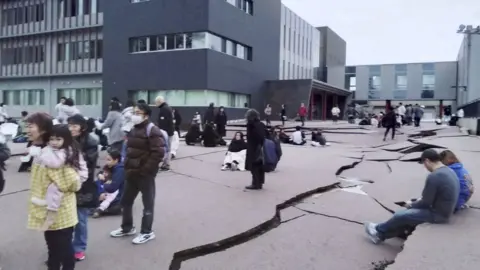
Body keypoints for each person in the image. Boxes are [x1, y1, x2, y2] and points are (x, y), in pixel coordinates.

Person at [364, 149, 459, 244]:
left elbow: (426, 203)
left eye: (424, 164)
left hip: (438, 214)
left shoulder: (434, 176)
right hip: (445, 209)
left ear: (427, 161)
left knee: (401, 215)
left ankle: (377, 231)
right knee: (407, 216)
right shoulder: (449, 170)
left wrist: (410, 205)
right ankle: (380, 234)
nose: (425, 167)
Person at [25, 113, 78, 270]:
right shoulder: (41, 150)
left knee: (63, 250)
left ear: (42, 129)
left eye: (30, 126)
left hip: (60, 210)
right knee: (53, 250)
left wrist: (55, 189)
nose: (27, 129)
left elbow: (73, 182)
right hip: (49, 209)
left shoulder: (54, 153)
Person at [110, 103, 165, 244]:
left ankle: (147, 232)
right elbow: (128, 150)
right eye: (134, 112)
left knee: (148, 204)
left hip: (144, 175)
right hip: (131, 173)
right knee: (126, 201)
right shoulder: (133, 129)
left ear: (146, 115)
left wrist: (146, 170)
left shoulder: (152, 130)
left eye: (138, 113)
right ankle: (127, 228)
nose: (134, 115)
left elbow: (158, 153)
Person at [67, 114, 99, 261]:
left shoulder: (91, 141)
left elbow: (87, 162)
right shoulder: (65, 139)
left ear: (82, 127)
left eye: (74, 126)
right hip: (66, 184)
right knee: (65, 217)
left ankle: (79, 248)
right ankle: (65, 246)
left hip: (84, 185)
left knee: (80, 218)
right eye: (69, 125)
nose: (71, 129)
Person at [92, 150, 124, 218]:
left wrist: (103, 189)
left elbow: (113, 188)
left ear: (116, 160)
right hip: (107, 189)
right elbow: (102, 173)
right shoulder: (109, 167)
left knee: (108, 198)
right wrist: (100, 175)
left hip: (116, 195)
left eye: (109, 160)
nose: (107, 162)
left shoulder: (120, 170)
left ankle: (100, 209)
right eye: (106, 160)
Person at [245, 109, 266, 190]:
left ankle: (255, 183)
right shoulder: (261, 124)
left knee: (254, 167)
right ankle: (260, 183)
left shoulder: (251, 125)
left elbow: (250, 137)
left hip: (253, 148)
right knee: (260, 166)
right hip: (260, 148)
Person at [155, 96, 174, 171]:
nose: (155, 104)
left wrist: (160, 132)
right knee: (167, 148)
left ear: (159, 102)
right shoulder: (168, 108)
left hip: (166, 132)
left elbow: (163, 122)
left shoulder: (164, 109)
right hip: (169, 131)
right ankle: (165, 164)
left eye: (156, 102)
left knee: (166, 148)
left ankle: (166, 164)